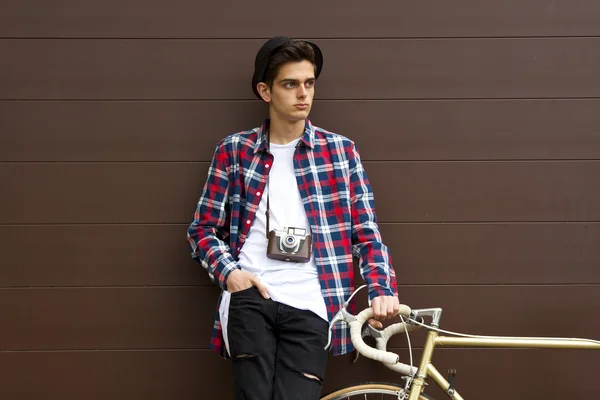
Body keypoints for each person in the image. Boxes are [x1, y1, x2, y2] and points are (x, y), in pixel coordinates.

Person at [186, 36, 399, 400]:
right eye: (290, 84)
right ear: (265, 91)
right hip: (252, 297)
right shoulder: (235, 151)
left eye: (309, 83)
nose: (303, 94)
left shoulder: (340, 152)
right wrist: (231, 275)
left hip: (314, 303)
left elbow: (366, 234)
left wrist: (382, 289)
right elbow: (203, 230)